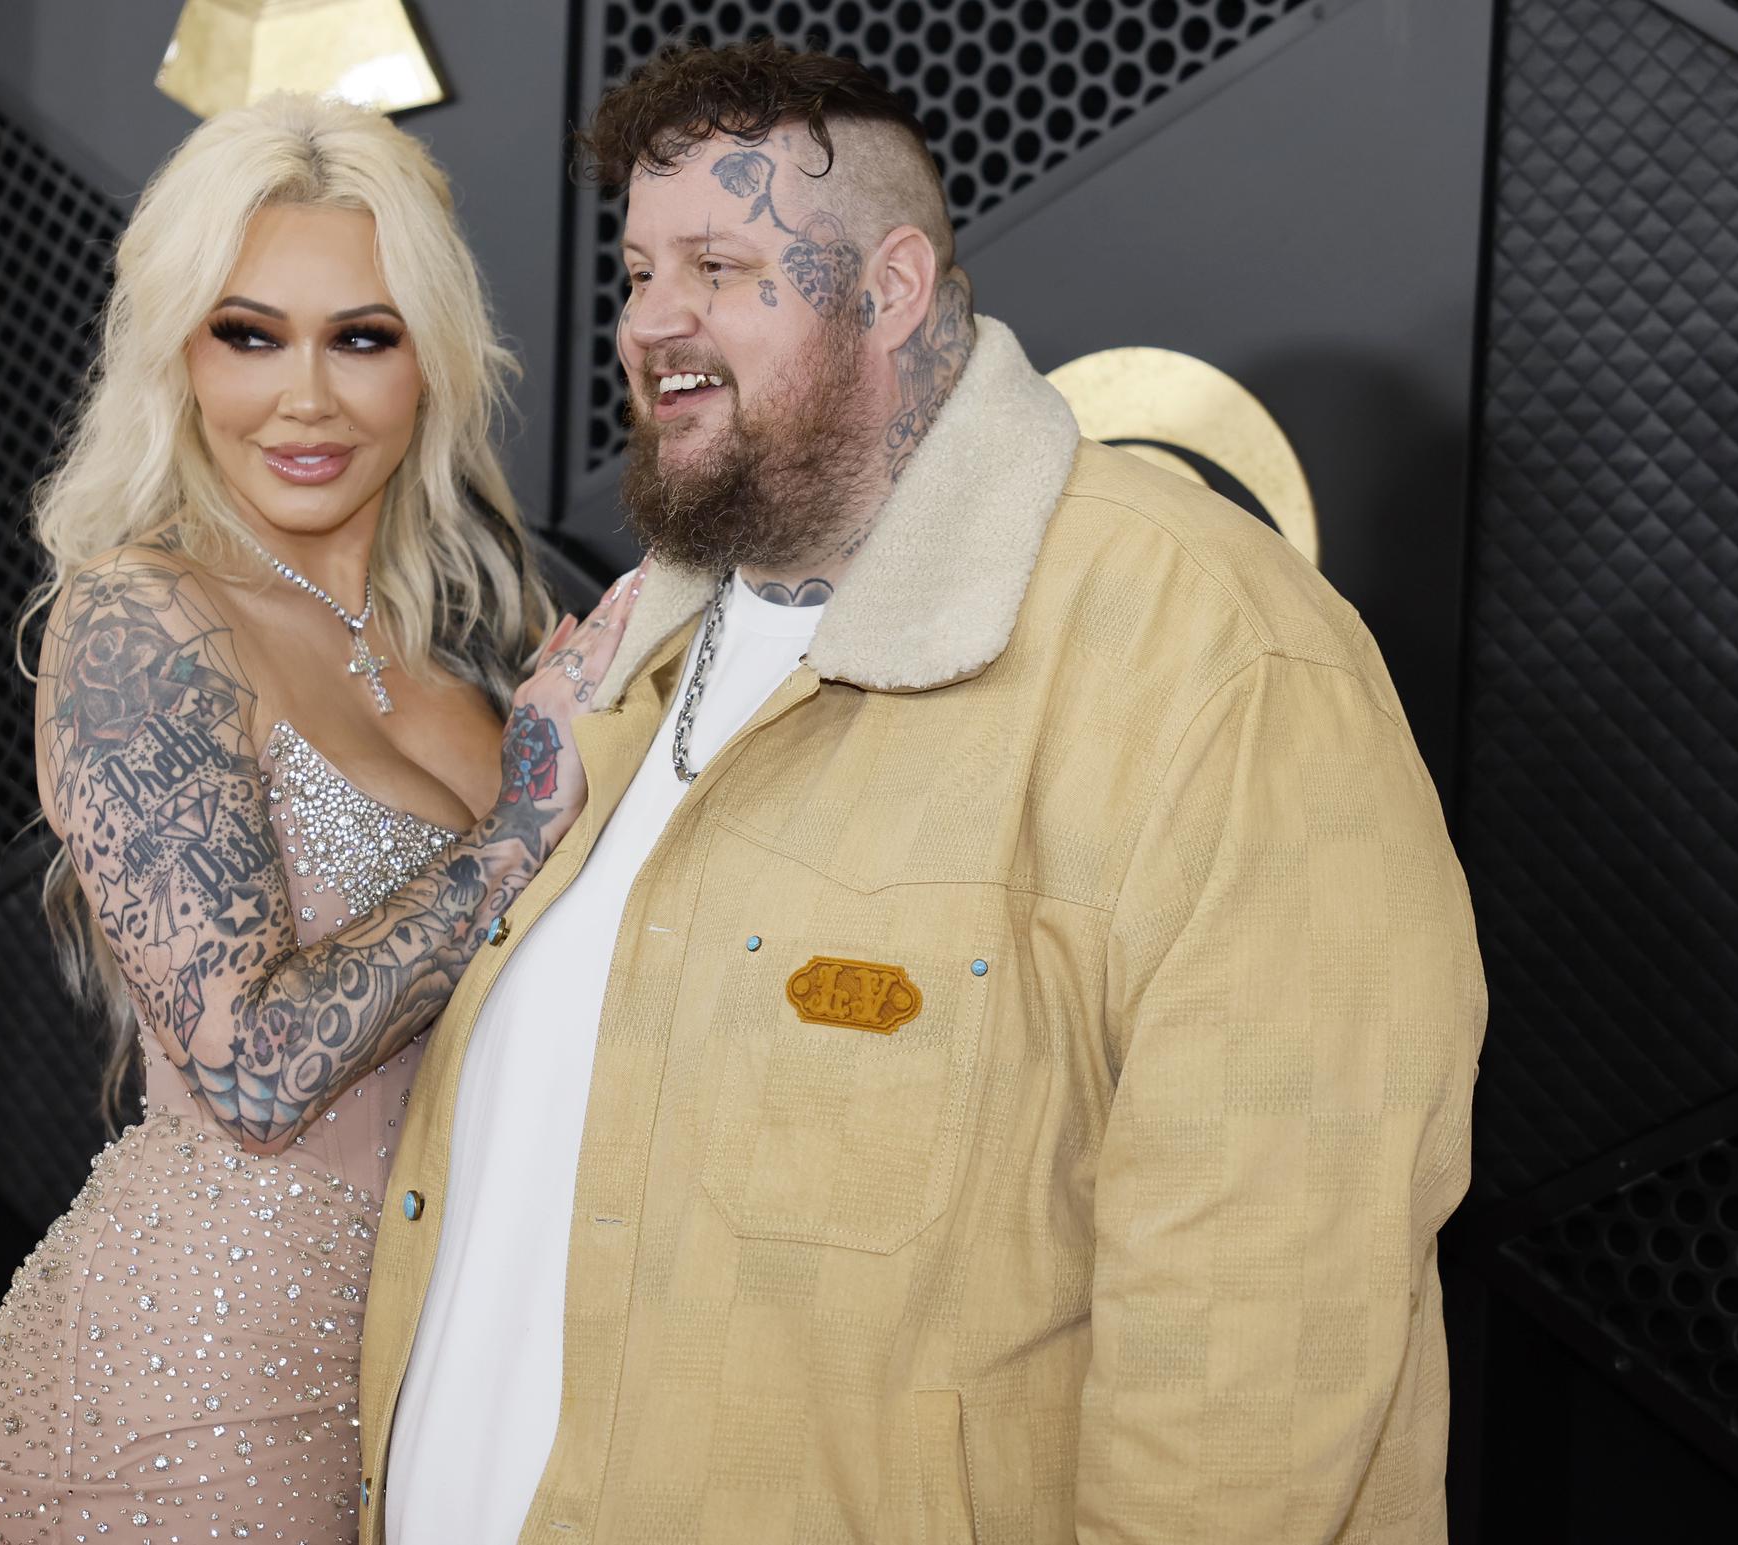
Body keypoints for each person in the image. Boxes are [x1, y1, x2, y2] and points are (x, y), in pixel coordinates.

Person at [364, 40, 1486, 1545]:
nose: (648, 323)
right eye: (635, 271)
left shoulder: (1219, 664)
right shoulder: (630, 658)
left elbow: (1258, 1362)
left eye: (719, 261)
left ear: (891, 286)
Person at [0, 93, 641, 1543]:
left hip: (447, 1394)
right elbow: (256, 1067)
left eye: (364, 337)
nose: (308, 398)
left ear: (433, 362)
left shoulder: (471, 669)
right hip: (195, 1397)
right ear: (176, 354)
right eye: (248, 332)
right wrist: (525, 824)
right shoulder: (145, 617)